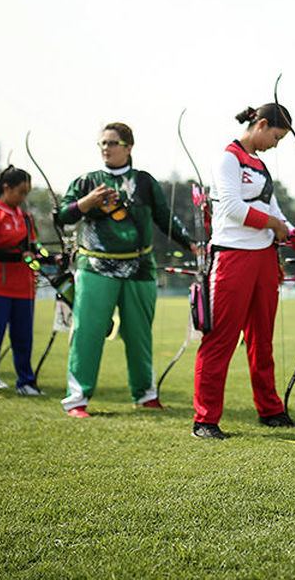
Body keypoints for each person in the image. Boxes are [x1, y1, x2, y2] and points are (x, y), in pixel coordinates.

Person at [190, 104, 295, 440]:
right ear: (261, 125)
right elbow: (232, 208)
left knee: (261, 339)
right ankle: (205, 420)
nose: (276, 144)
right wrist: (273, 224)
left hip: (264, 258)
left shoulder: (259, 165)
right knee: (220, 338)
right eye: (276, 136)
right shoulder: (228, 158)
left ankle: (271, 410)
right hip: (234, 257)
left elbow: (273, 211)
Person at [59, 123, 194, 417]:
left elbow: (164, 218)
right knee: (87, 333)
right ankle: (77, 399)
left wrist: (191, 244)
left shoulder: (144, 181)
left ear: (129, 146)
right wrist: (86, 203)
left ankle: (145, 394)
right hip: (95, 267)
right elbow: (62, 217)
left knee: (139, 334)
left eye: (112, 142)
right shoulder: (86, 181)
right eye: (102, 144)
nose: (106, 148)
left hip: (140, 268)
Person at [0, 166, 46, 399]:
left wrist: (51, 257)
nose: (24, 197)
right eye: (21, 192)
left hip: (25, 288)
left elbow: (33, 248)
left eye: (27, 192)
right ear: (6, 188)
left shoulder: (25, 217)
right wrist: (19, 257)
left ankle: (26, 382)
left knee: (23, 339)